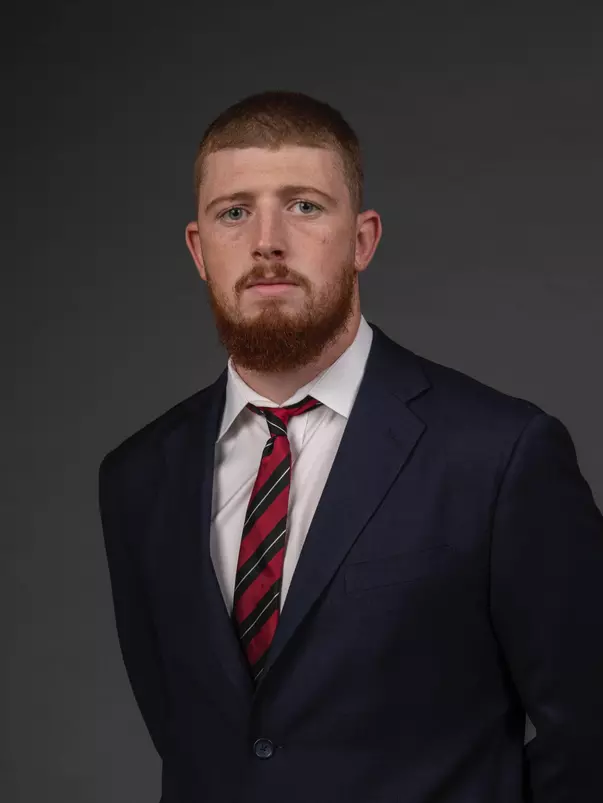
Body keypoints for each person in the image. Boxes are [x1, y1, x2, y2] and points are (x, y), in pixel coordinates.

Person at [98, 90, 603, 803]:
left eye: (304, 206)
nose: (267, 241)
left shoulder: (499, 454)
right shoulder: (138, 476)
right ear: (198, 248)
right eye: (234, 212)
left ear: (362, 240)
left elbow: (589, 736)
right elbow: (191, 745)